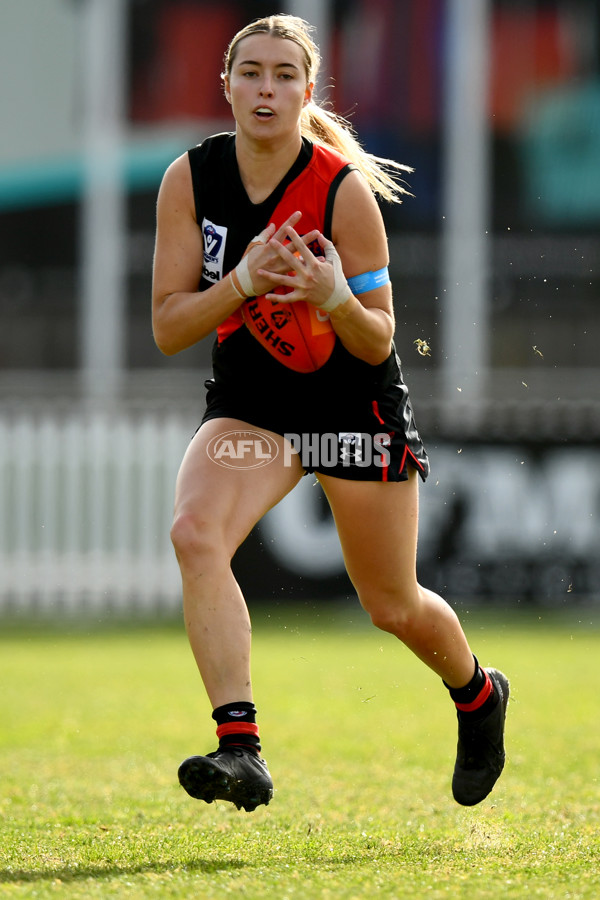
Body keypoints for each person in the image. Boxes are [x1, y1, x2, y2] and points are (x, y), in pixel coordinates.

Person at [152, 14, 509, 813]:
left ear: (307, 90)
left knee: (391, 605)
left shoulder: (341, 192)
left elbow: (380, 339)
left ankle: (478, 693)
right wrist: (240, 284)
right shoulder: (191, 179)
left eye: (284, 75)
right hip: (253, 407)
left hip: (350, 402)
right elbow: (171, 326)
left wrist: (332, 296)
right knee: (193, 533)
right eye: (251, 73)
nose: (266, 89)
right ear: (227, 85)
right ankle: (240, 747)